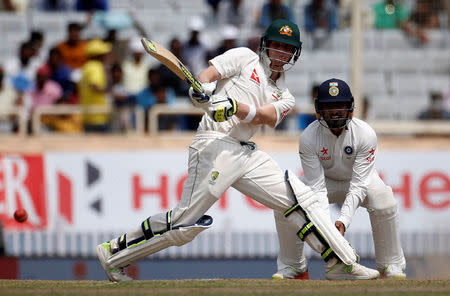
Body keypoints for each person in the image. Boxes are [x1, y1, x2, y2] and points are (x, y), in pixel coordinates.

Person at [95, 19, 380, 282]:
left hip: (246, 152)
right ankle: (115, 252)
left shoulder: (285, 95)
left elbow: (265, 117)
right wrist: (202, 89)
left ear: (295, 54)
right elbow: (207, 75)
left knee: (299, 198)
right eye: (277, 45)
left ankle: (340, 261)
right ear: (266, 44)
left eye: (288, 49)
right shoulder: (245, 57)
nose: (281, 53)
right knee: (185, 225)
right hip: (214, 143)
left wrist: (234, 106)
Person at [272, 78, 406, 280]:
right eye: (329, 106)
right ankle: (294, 267)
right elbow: (317, 191)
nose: (335, 112)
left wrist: (342, 221)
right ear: (319, 110)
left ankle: (391, 266)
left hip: (361, 180)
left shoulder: (365, 134)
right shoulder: (309, 137)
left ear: (350, 108)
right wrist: (330, 235)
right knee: (285, 203)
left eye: (340, 106)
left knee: (384, 199)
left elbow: (359, 185)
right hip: (324, 182)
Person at [78, 39, 111, 133]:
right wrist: (108, 92)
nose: (106, 55)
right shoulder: (96, 66)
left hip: (87, 113)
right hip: (97, 115)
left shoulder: (86, 66)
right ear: (98, 55)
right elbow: (94, 86)